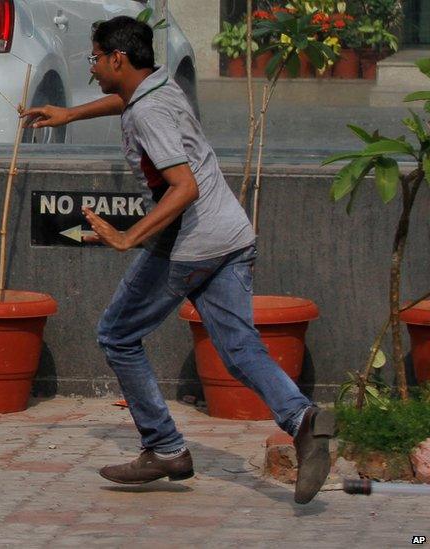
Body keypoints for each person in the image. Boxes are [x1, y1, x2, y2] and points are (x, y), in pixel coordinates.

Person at [22, 16, 334, 505]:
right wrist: (68, 115)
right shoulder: (160, 83)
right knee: (239, 347)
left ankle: (165, 447)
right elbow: (125, 99)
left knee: (117, 333)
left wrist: (128, 237)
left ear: (117, 60)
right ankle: (304, 419)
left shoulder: (147, 113)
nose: (93, 68)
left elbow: (183, 186)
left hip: (189, 243)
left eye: (95, 58)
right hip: (230, 233)